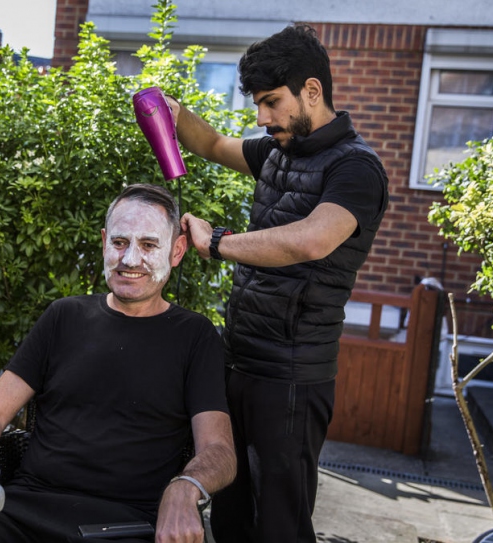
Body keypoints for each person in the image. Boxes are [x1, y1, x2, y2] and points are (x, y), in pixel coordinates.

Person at [167, 24, 389, 543]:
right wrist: (170, 111)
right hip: (238, 363)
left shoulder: (357, 169)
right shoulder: (277, 151)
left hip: (291, 378)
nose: (262, 118)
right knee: (232, 517)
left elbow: (311, 240)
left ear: (312, 91)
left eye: (272, 102)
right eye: (258, 105)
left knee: (280, 528)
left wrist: (216, 242)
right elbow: (213, 142)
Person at [0, 183, 236, 543]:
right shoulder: (64, 316)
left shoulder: (195, 336)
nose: (129, 260)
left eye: (149, 245)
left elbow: (219, 450)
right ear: (104, 241)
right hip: (23, 513)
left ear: (177, 251)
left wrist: (187, 486)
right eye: (120, 243)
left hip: (126, 527)